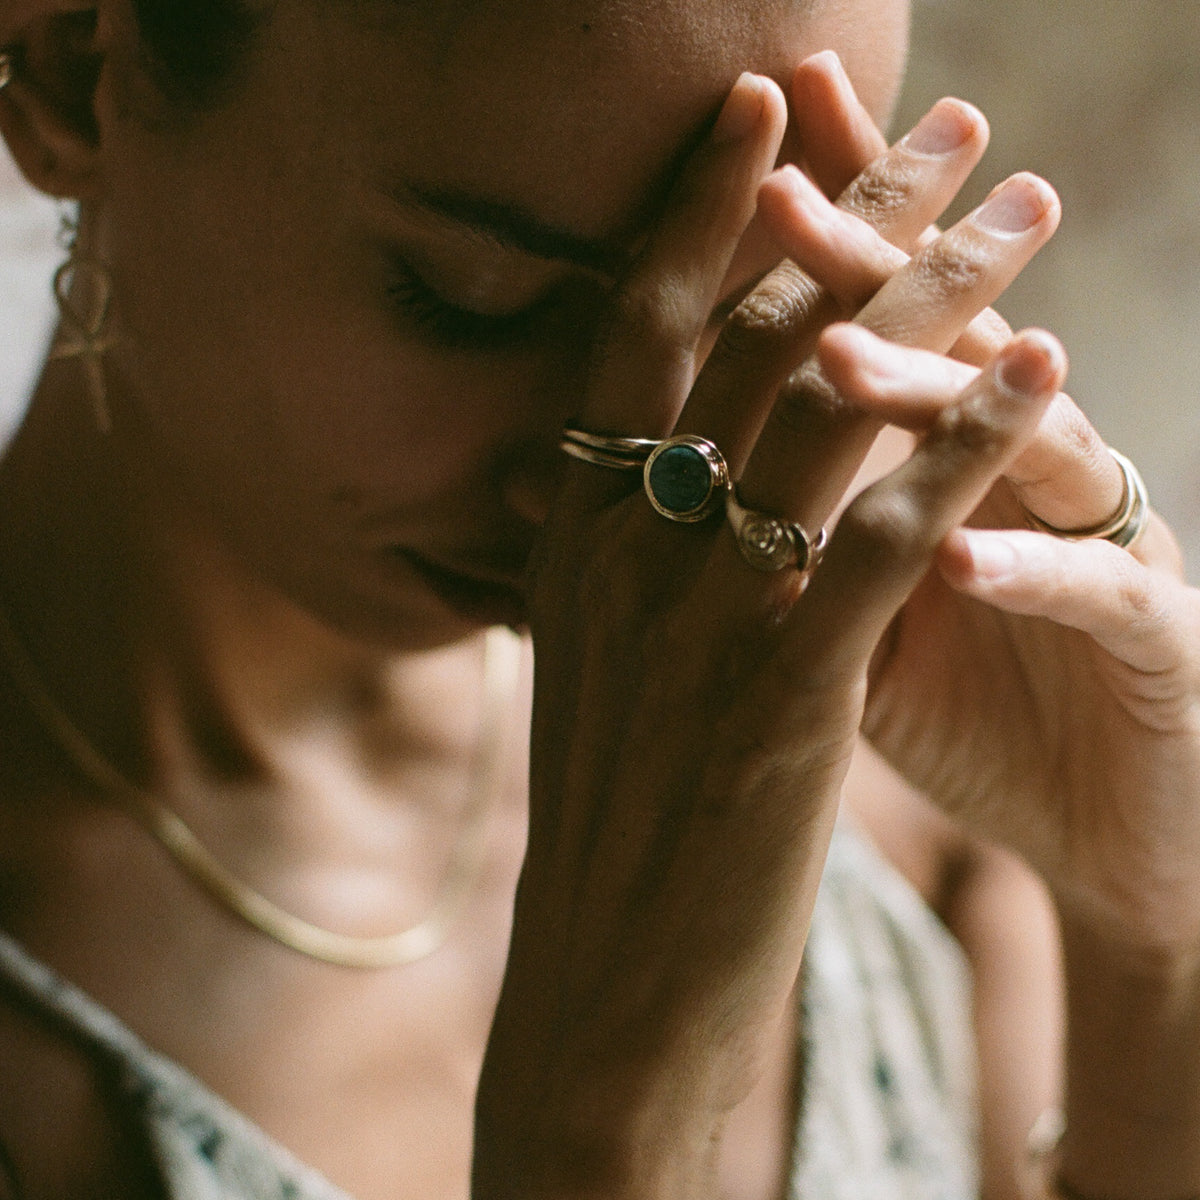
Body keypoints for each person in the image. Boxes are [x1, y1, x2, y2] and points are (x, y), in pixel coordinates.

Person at [0, 1, 1195, 1198]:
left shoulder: (908, 723)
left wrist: (1150, 948)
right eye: (478, 299)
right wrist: (608, 1134)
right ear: (71, 71)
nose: (619, 471)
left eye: (751, 309)